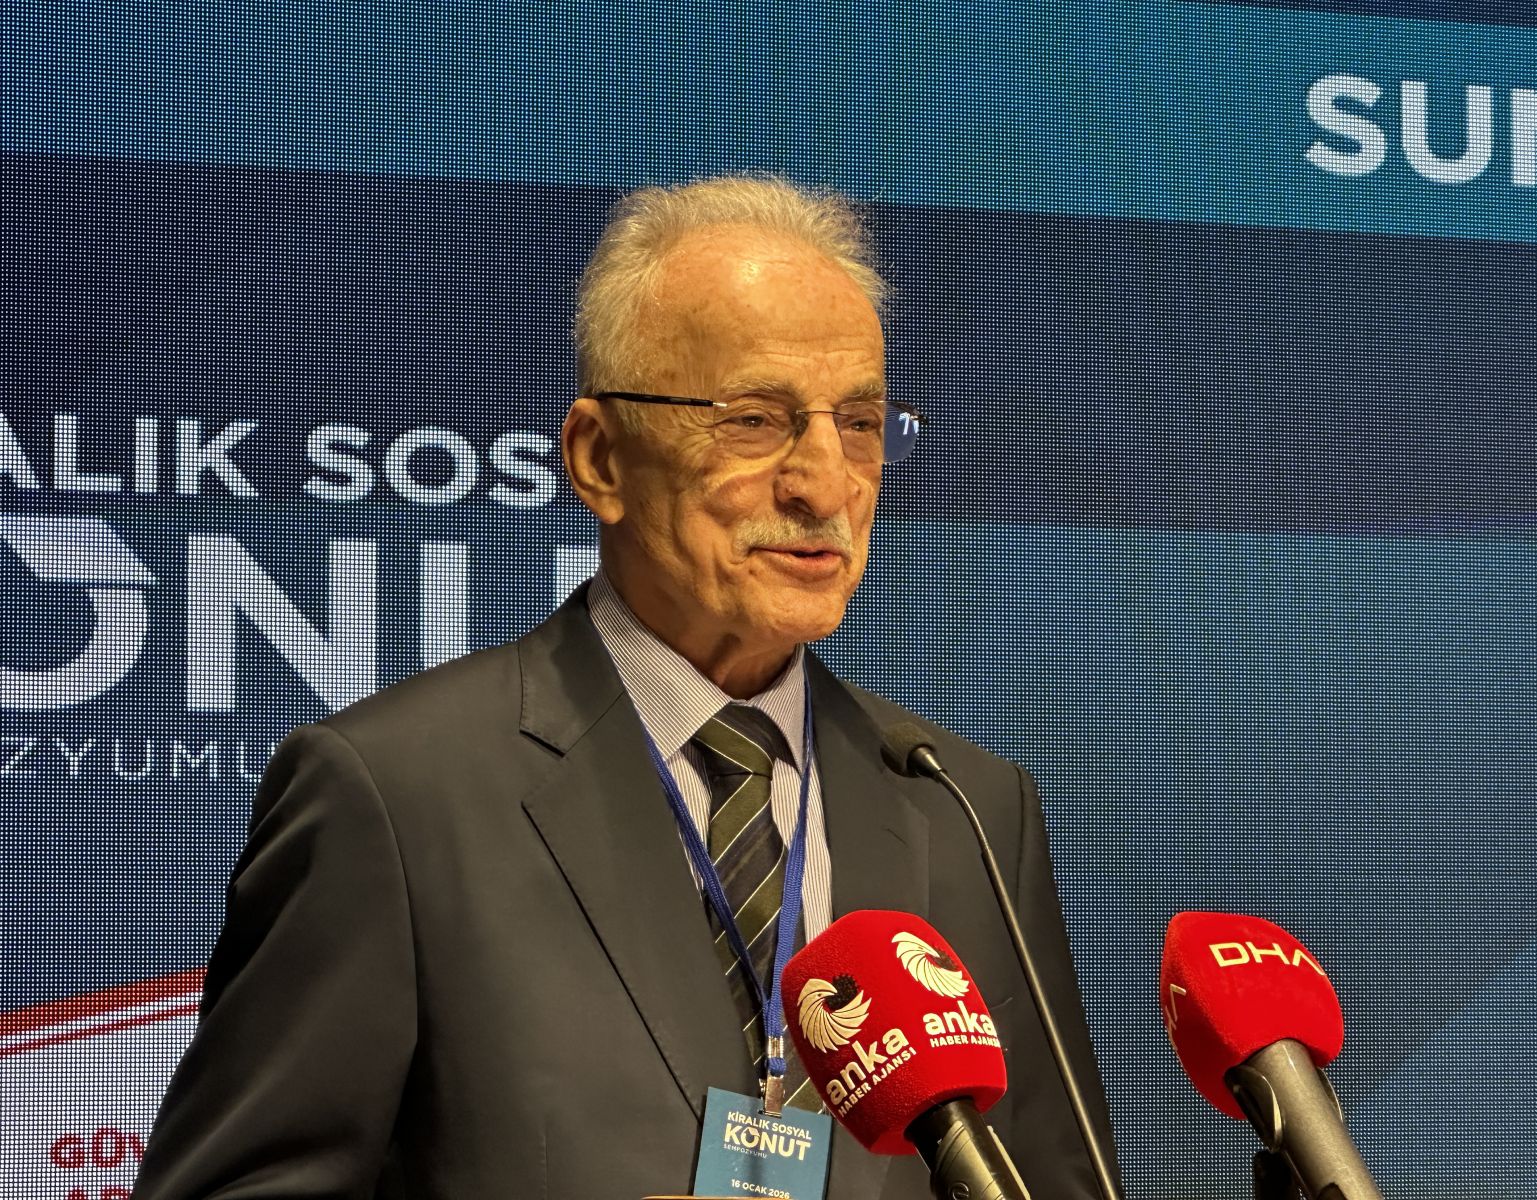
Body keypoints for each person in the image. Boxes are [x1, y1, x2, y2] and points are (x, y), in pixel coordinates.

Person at [134, 176, 1119, 1199]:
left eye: (861, 422)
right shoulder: (393, 797)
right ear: (599, 458)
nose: (828, 484)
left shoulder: (967, 810)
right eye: (755, 419)